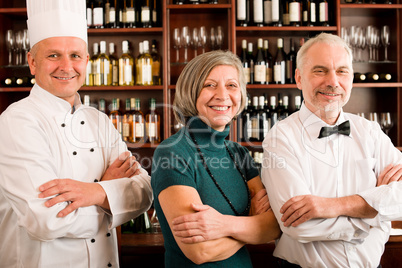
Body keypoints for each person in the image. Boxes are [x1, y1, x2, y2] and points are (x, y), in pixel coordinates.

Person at [0, 0, 153, 267]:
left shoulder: (100, 121)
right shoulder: (17, 122)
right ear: (32, 63)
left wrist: (92, 192)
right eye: (53, 55)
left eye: (75, 55)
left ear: (86, 61)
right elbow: (45, 222)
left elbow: (145, 192)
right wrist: (111, 197)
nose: (66, 66)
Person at [261, 32, 402, 268]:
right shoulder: (281, 137)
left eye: (342, 71)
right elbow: (298, 226)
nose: (333, 82)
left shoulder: (370, 131)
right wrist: (376, 214)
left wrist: (332, 206)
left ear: (352, 79)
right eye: (320, 70)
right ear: (298, 78)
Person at [151, 50, 280, 267]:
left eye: (232, 85)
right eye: (210, 85)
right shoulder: (172, 152)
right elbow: (200, 251)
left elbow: (273, 227)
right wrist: (250, 223)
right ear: (191, 93)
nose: (222, 95)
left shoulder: (239, 153)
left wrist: (222, 225)